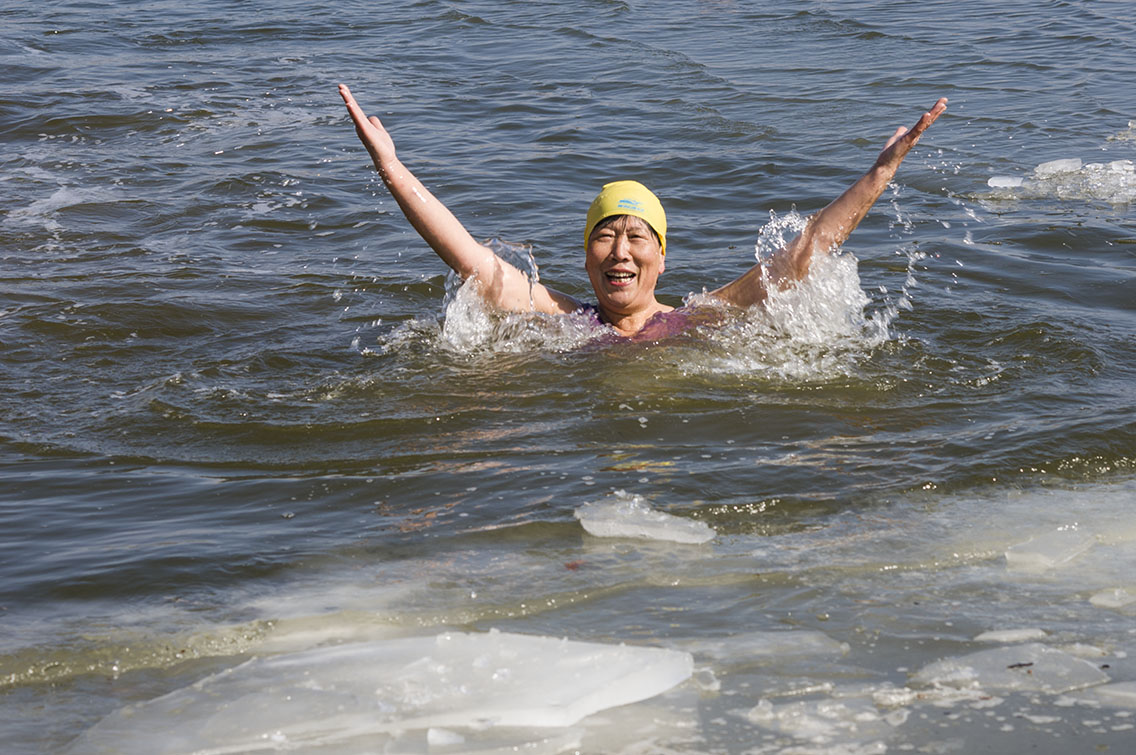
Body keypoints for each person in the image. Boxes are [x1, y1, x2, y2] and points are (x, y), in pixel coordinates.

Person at [339, 84, 947, 339]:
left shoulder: (695, 321)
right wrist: (392, 168)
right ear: (586, 253)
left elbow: (802, 255)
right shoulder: (561, 321)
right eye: (606, 235)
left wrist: (879, 175)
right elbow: (471, 257)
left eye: (637, 235)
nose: (621, 250)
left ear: (661, 254)